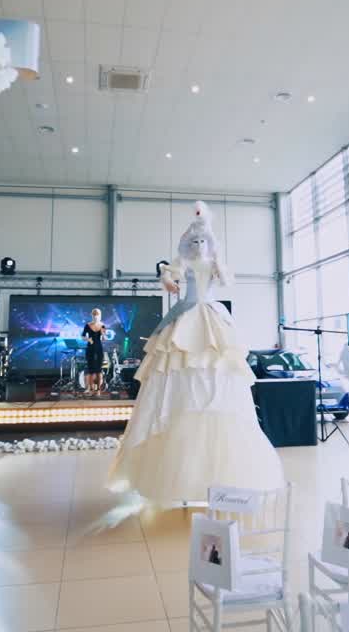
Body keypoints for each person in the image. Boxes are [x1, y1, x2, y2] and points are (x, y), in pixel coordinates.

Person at [108, 201, 284, 507]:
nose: (200, 245)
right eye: (196, 240)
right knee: (178, 367)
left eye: (204, 240)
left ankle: (222, 475)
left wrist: (218, 259)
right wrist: (168, 279)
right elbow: (169, 275)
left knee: (217, 372)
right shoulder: (185, 262)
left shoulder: (213, 262)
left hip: (212, 316)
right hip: (186, 314)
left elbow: (226, 280)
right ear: (189, 242)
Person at [82, 308, 106, 394]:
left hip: (99, 348)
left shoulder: (102, 325)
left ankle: (98, 389)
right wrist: (88, 339)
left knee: (99, 370)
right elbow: (83, 336)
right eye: (94, 314)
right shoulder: (88, 325)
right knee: (91, 370)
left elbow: (104, 339)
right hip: (90, 348)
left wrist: (103, 334)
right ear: (92, 315)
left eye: (97, 314)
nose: (96, 316)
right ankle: (91, 389)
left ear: (100, 315)